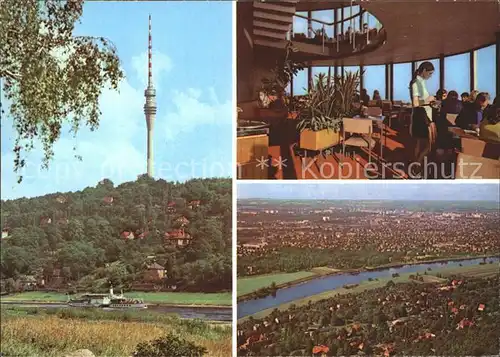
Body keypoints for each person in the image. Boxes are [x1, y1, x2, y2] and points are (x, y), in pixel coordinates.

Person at [409, 61, 436, 177]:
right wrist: (428, 100)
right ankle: (417, 164)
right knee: (429, 145)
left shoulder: (421, 82)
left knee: (420, 143)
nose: (431, 76)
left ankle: (416, 166)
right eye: (430, 73)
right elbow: (415, 103)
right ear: (424, 70)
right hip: (422, 117)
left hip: (421, 115)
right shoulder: (416, 83)